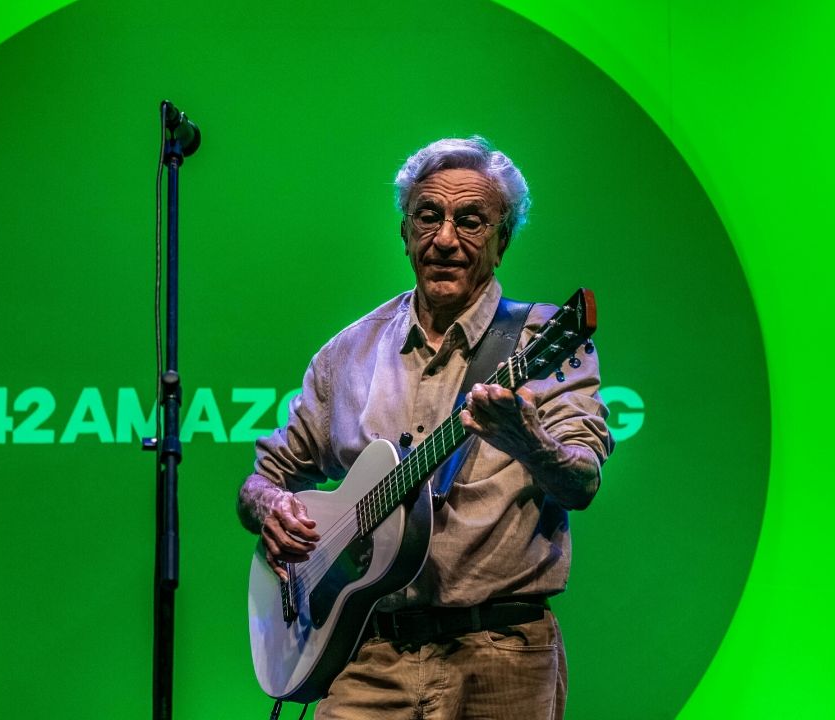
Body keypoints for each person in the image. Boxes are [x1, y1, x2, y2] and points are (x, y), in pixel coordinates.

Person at [237, 136, 613, 719]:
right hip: (368, 656)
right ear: (405, 232)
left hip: (501, 656)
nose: (445, 239)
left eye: (471, 221)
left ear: (502, 240)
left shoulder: (543, 343)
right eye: (428, 216)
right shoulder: (346, 354)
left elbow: (582, 482)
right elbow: (262, 482)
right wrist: (272, 510)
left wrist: (530, 443)